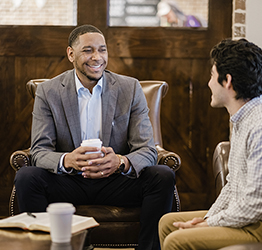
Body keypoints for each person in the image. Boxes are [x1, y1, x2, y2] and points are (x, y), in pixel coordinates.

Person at [14, 24, 175, 250]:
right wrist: (66, 160)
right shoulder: (49, 92)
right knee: (27, 177)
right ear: (71, 54)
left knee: (163, 176)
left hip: (116, 181)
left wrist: (121, 161)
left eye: (102, 50)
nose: (97, 57)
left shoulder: (130, 88)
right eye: (88, 50)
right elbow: (39, 151)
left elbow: (147, 149)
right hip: (69, 181)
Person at [159, 38, 262, 249]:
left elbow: (255, 206)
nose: (208, 83)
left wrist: (209, 224)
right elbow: (234, 185)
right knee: (167, 223)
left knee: (177, 240)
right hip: (256, 218)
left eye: (212, 76)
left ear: (228, 81)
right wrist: (209, 219)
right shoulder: (244, 117)